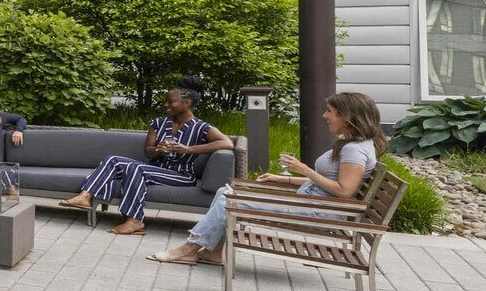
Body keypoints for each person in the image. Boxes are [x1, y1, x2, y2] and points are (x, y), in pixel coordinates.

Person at [149, 93, 384, 266]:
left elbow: (343, 191)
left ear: (347, 116)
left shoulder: (354, 150)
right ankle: (213, 252)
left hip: (318, 212)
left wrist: (304, 170)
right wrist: (283, 180)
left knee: (227, 199)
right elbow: (328, 183)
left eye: (330, 111)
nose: (325, 115)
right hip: (313, 204)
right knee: (225, 191)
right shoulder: (354, 145)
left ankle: (188, 249)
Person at [57, 78, 233, 235]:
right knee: (113, 159)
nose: (166, 105)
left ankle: (135, 220)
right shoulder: (158, 123)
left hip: (181, 175)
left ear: (186, 103)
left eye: (170, 102)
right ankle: (85, 196)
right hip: (156, 169)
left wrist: (188, 149)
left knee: (136, 168)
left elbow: (227, 143)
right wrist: (158, 150)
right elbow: (148, 151)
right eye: (165, 101)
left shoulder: (201, 127)